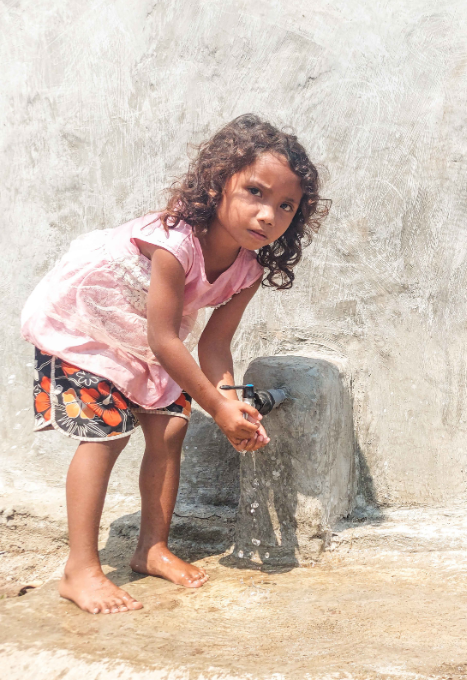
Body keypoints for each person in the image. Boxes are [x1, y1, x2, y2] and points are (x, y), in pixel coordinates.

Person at [21, 114, 328, 615]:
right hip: (84, 322)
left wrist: (232, 408)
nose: (268, 214)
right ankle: (80, 569)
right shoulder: (174, 242)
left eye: (286, 205)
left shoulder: (248, 268)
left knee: (169, 431)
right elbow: (164, 338)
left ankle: (152, 548)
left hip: (141, 336)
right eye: (255, 191)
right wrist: (216, 405)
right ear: (217, 183)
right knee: (107, 434)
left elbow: (215, 345)